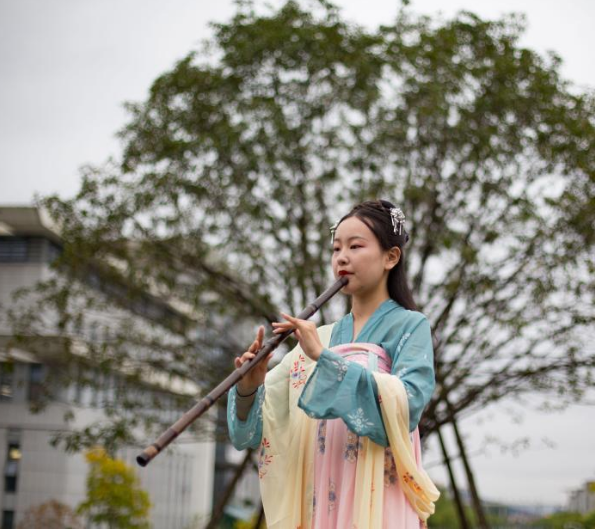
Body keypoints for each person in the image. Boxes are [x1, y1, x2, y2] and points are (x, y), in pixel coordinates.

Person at [227, 199, 439, 529]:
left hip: (381, 496)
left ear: (391, 257)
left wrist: (325, 360)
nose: (342, 257)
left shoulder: (410, 326)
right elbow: (253, 432)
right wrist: (249, 385)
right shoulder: (320, 337)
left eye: (356, 246)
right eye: (336, 248)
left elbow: (408, 403)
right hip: (319, 497)